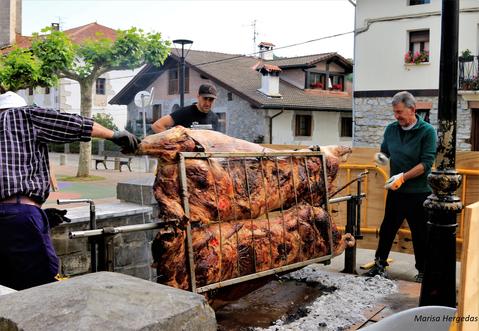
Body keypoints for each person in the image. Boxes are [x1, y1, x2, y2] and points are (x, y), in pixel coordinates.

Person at [0, 91, 140, 290]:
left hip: (17, 215)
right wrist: (114, 135)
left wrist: (41, 216)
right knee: (47, 287)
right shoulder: (24, 115)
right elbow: (72, 123)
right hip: (21, 216)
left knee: (7, 289)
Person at [364, 91, 437, 283]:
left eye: (399, 112)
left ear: (412, 109)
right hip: (396, 191)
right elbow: (385, 152)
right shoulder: (391, 129)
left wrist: (403, 177)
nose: (396, 116)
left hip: (419, 192)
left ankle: (423, 271)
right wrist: (381, 158)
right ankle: (379, 265)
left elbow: (426, 164)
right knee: (387, 228)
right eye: (395, 112)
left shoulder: (427, 131)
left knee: (420, 232)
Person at [152, 83, 219, 132]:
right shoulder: (185, 112)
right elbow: (157, 125)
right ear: (198, 97)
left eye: (211, 100)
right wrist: (172, 142)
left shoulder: (214, 117)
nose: (207, 103)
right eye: (205, 98)